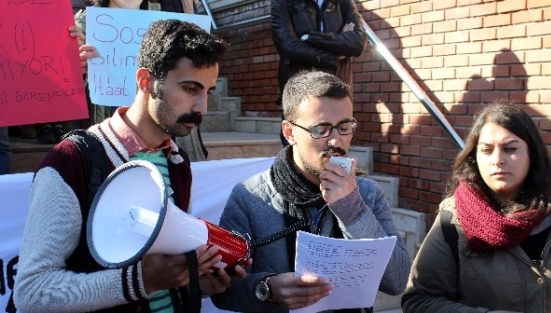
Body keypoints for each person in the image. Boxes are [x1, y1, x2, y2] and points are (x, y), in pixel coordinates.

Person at [14, 19, 247, 313]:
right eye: (190, 88)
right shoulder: (70, 161)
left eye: (208, 92)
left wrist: (199, 284)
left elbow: (163, 275)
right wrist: (138, 282)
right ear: (145, 81)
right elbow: (32, 294)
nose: (201, 107)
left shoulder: (176, 161)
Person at [211, 71, 410, 312]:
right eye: (320, 130)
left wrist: (352, 211)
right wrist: (267, 289)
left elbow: (397, 280)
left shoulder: (366, 193)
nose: (336, 141)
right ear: (289, 132)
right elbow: (221, 290)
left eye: (345, 127)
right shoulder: (251, 197)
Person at [401, 102, 551, 313]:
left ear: (531, 155)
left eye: (510, 149)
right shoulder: (454, 220)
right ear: (475, 157)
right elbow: (419, 301)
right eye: (486, 150)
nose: (498, 160)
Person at [70, 0, 207, 161]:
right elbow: (61, 94)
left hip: (158, 141)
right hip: (105, 142)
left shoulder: (170, 24)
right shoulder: (81, 26)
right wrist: (74, 69)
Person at [270, 0, 367, 146]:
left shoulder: (343, 2)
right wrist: (333, 54)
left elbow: (357, 43)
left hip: (336, 88)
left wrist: (310, 38)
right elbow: (287, 45)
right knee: (297, 151)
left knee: (335, 148)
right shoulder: (284, 2)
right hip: (301, 92)